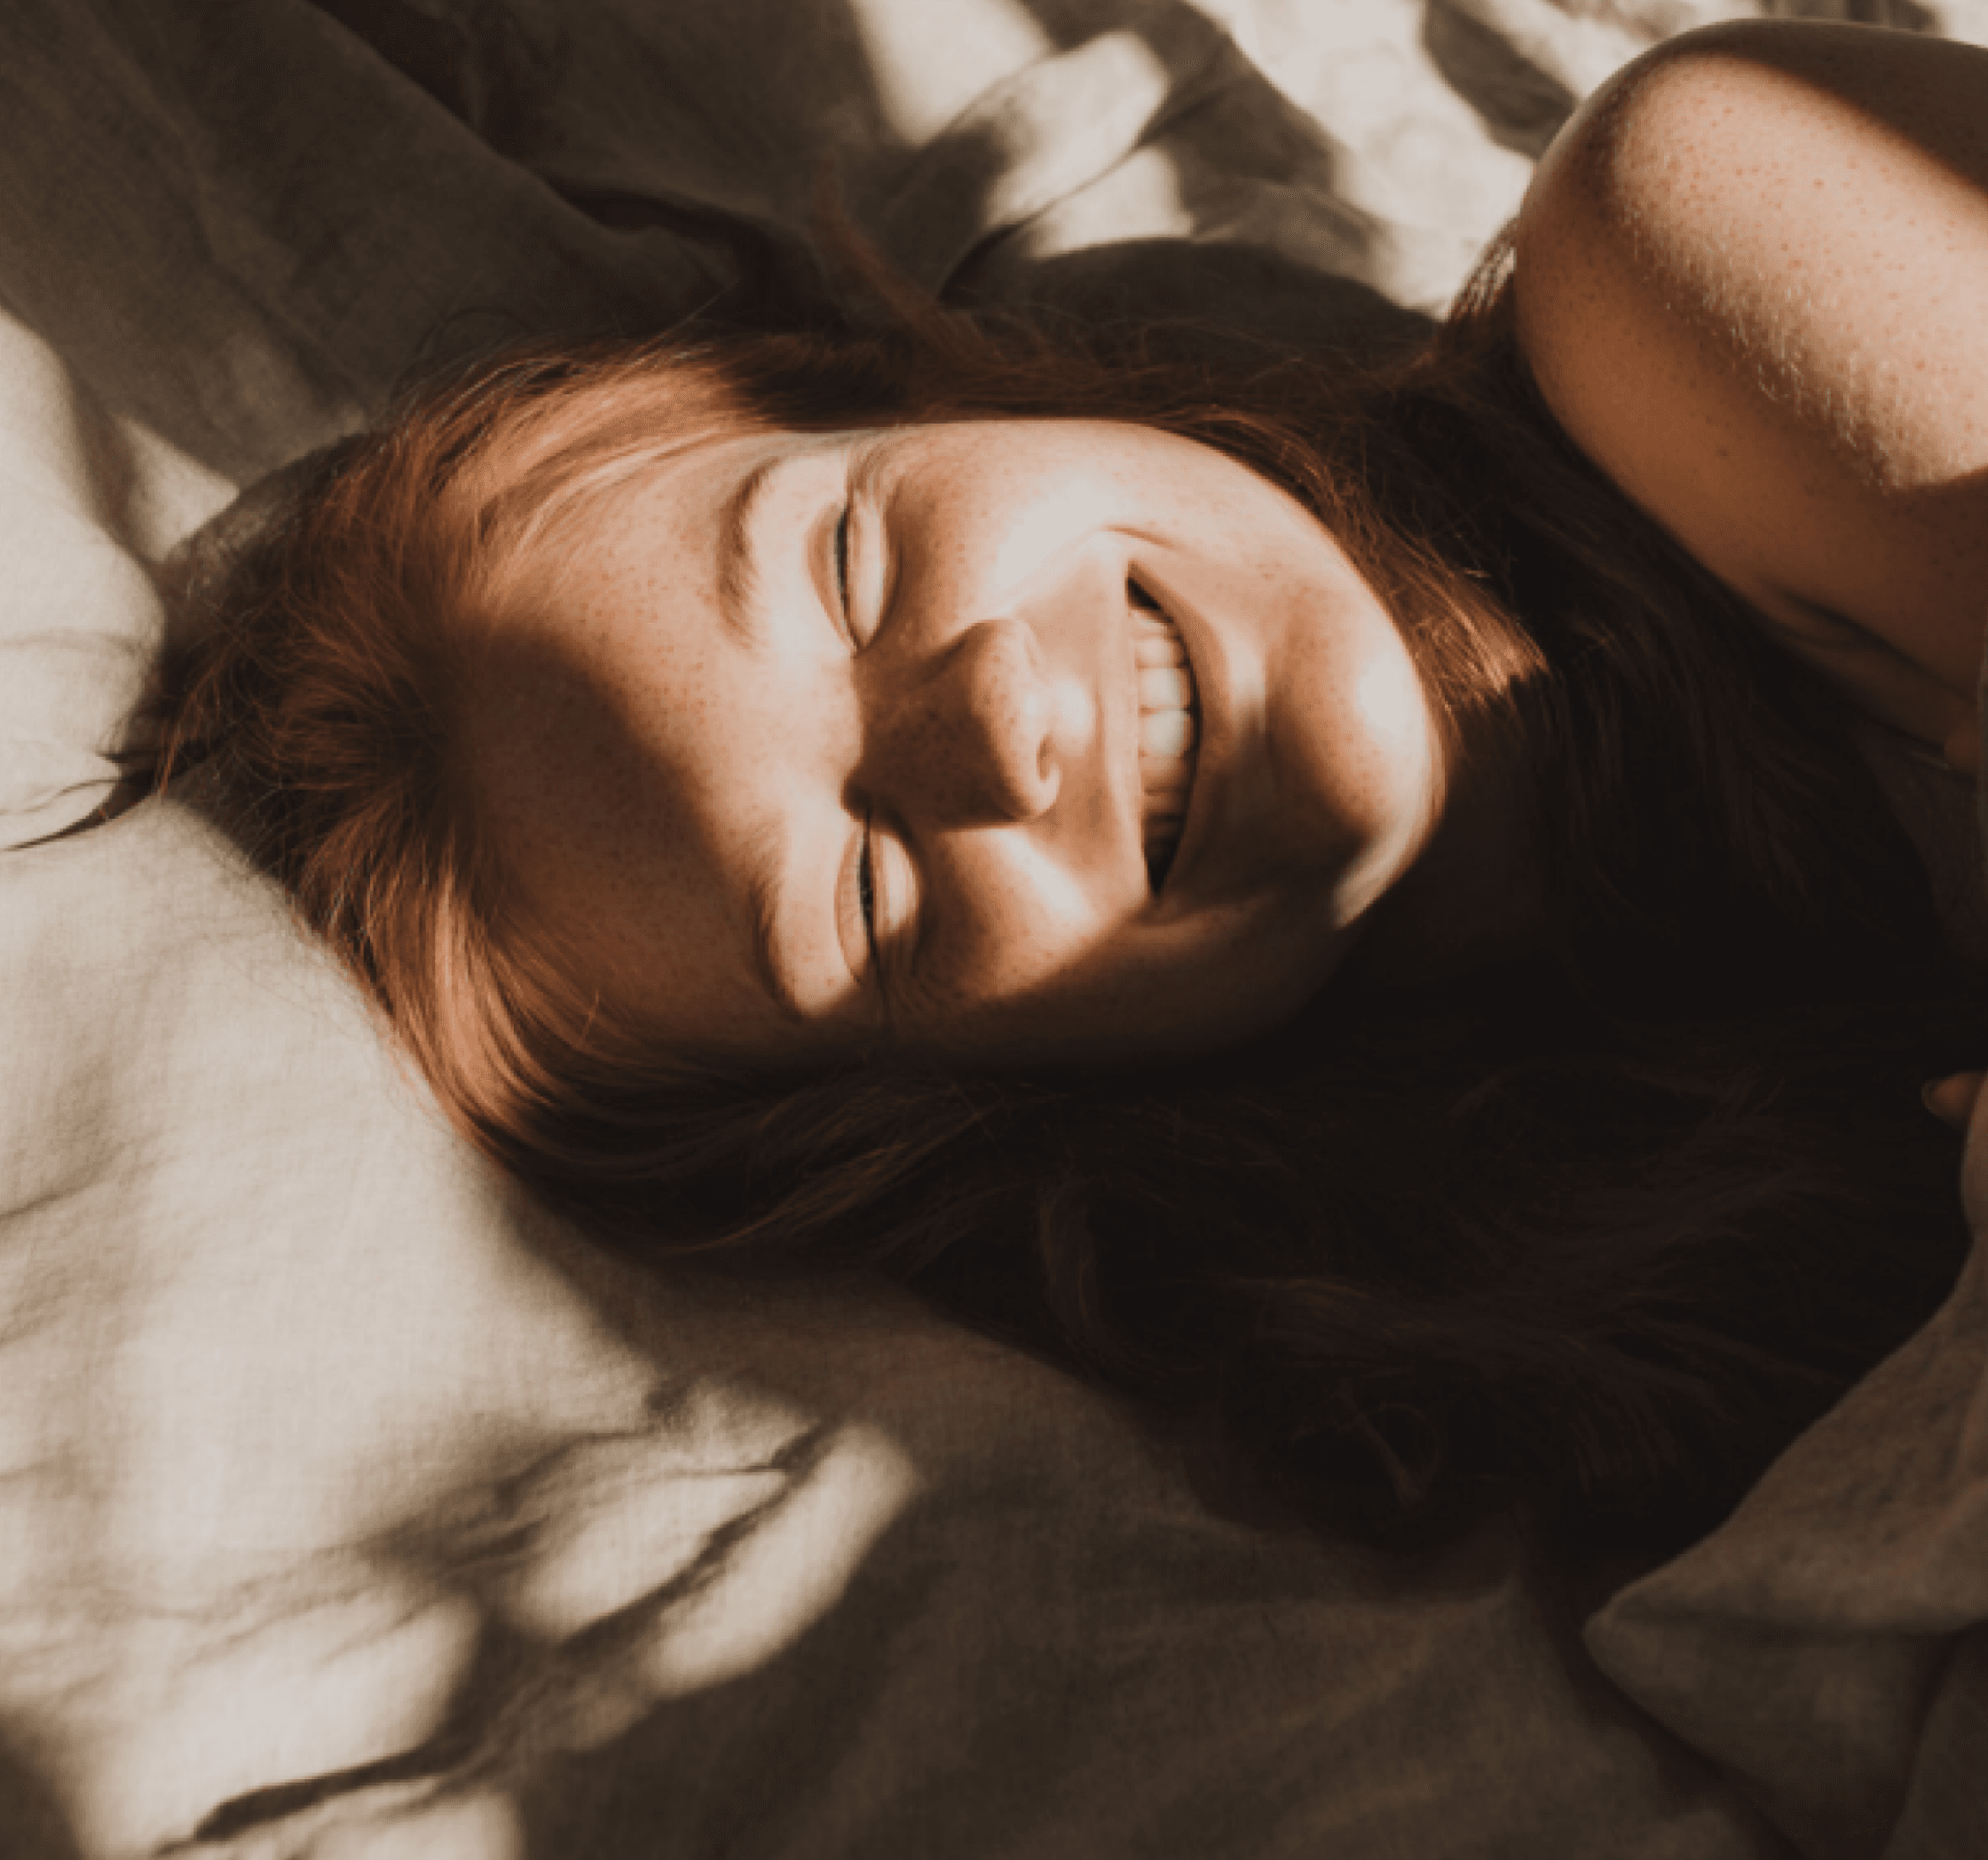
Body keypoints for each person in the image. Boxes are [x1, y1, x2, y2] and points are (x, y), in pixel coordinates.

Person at [160, 19, 1988, 1553]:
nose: (997, 717)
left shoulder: (1703, 238)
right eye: (865, 896)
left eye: (850, 564)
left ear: (935, 403)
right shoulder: (1637, 1361)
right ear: (984, 1101)